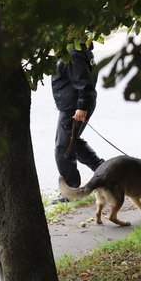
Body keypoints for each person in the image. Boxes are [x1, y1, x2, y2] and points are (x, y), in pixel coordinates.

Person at [52, 43, 104, 197]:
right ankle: (104, 170)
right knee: (72, 142)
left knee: (63, 147)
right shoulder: (74, 49)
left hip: (74, 107)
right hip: (73, 104)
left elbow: (85, 84)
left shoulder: (73, 53)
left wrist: (81, 107)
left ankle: (71, 190)